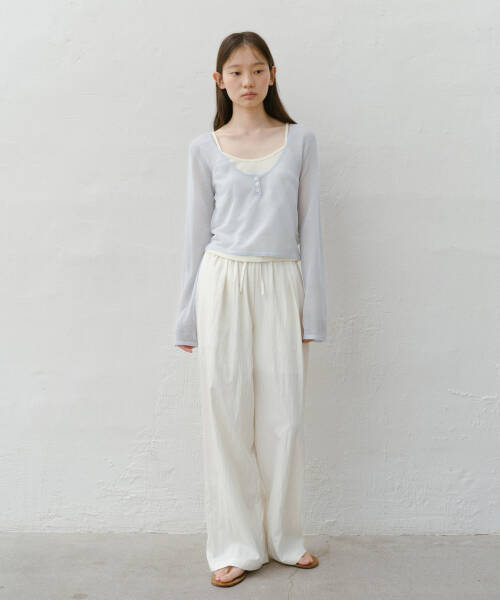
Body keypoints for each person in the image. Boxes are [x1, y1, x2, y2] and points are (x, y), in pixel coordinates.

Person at [174, 31, 327, 588]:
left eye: (257, 70)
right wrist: (187, 316)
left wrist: (313, 313)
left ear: (272, 75)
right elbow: (194, 237)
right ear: (219, 80)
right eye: (236, 72)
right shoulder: (204, 148)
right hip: (222, 282)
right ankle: (235, 544)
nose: (247, 81)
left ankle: (285, 538)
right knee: (226, 414)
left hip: (280, 280)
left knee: (285, 416)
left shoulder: (301, 141)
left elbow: (310, 229)